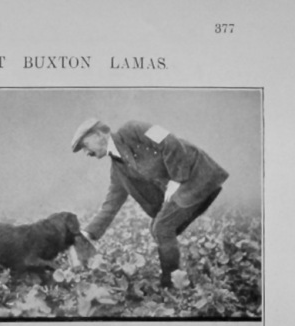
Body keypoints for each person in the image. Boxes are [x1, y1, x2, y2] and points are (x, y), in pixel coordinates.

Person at [71, 117, 229, 288]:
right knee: (157, 229)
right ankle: (181, 275)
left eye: (85, 146)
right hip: (183, 190)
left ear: (98, 134)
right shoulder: (118, 170)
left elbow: (169, 140)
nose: (86, 153)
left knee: (162, 228)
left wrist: (177, 179)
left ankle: (172, 285)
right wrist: (87, 233)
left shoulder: (134, 128)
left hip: (197, 176)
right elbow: (111, 205)